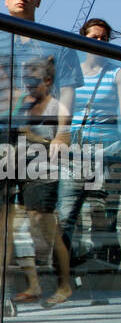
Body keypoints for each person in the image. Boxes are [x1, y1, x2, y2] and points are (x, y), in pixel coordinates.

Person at [59, 18, 121, 296]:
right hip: (74, 153)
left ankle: (101, 282)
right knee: (67, 216)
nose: (99, 42)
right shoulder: (70, 73)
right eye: (94, 37)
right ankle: (66, 279)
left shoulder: (118, 73)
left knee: (102, 220)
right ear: (83, 39)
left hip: (106, 153)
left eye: (104, 38)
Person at [15, 57, 75, 306]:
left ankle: (64, 286)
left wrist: (35, 137)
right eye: (25, 81)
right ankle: (34, 285)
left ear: (48, 81)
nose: (28, 86)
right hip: (18, 168)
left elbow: (64, 143)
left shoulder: (57, 108)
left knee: (47, 228)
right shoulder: (23, 105)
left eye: (33, 81)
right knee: (18, 231)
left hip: (44, 172)